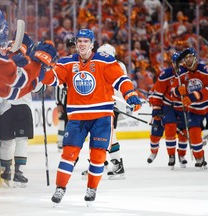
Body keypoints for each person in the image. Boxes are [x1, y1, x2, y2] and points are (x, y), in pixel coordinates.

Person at [41, 29, 142, 205]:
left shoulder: (105, 61)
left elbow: (121, 79)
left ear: (92, 44)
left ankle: (91, 188)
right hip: (77, 116)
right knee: (69, 153)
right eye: (79, 41)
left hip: (101, 116)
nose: (81, 44)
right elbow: (51, 79)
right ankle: (60, 188)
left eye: (85, 41)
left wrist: (130, 93)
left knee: (98, 155)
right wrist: (41, 64)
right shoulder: (66, 63)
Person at [81, 43, 127, 179]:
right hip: (107, 105)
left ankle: (116, 164)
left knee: (109, 136)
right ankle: (101, 162)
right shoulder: (115, 65)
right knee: (101, 134)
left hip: (111, 105)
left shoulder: (113, 66)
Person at [173, 47, 208, 168]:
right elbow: (173, 92)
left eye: (190, 57)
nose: (188, 60)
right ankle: (199, 157)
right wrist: (179, 91)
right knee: (193, 134)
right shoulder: (181, 73)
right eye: (185, 58)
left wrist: (193, 96)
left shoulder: (206, 70)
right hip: (194, 110)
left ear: (195, 57)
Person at [147, 52, 189, 169]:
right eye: (177, 63)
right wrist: (156, 108)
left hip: (182, 106)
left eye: (181, 62)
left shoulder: (187, 73)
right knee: (169, 128)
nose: (178, 65)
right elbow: (158, 92)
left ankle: (182, 155)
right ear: (172, 63)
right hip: (168, 105)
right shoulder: (166, 74)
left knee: (184, 131)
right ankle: (171, 155)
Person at [55, 38, 76, 151]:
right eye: (72, 47)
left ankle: (71, 141)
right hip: (66, 99)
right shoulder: (64, 62)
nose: (75, 49)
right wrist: (58, 102)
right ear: (69, 48)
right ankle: (61, 142)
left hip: (77, 98)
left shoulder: (83, 61)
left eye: (75, 46)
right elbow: (58, 83)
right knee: (64, 120)